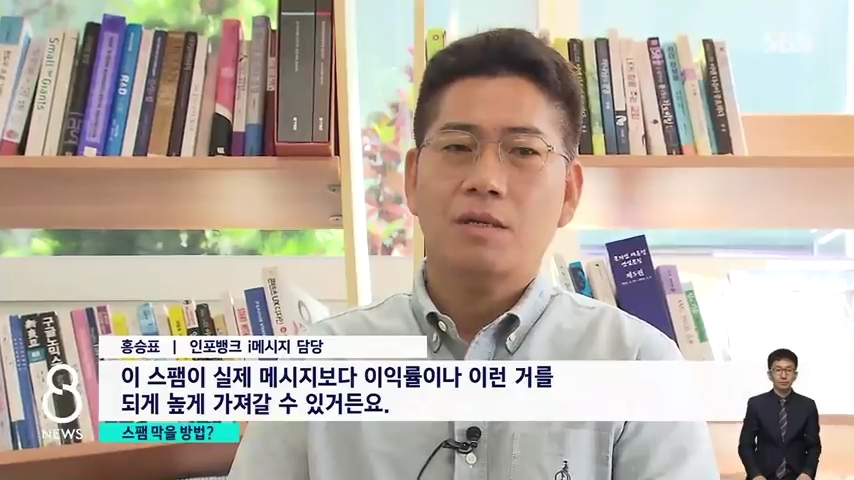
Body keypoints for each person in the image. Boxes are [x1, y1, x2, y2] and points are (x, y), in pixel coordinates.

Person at [228, 28, 719, 479]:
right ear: (413, 179)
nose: (485, 179)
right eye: (457, 147)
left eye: (524, 151)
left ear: (569, 192)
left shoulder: (640, 365)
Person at [738, 348, 821, 480]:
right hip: (763, 475)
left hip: (797, 475)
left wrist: (807, 473)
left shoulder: (807, 405)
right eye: (778, 370)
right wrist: (755, 474)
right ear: (769, 374)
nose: (783, 375)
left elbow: (814, 446)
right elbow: (746, 445)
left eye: (789, 370)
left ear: (795, 374)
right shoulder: (756, 404)